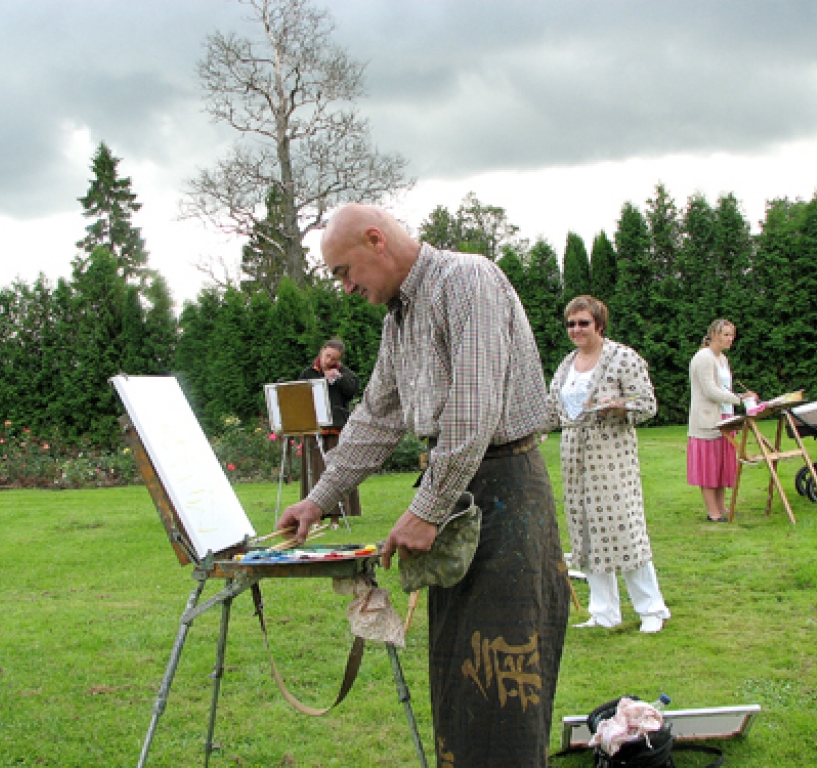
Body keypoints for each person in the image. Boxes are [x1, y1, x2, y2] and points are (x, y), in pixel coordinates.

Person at [278, 203, 569, 767]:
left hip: (505, 489)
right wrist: (320, 497)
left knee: (503, 680)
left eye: (344, 271)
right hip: (462, 492)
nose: (345, 287)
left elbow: (474, 407)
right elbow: (375, 417)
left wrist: (428, 508)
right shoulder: (399, 319)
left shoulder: (467, 279)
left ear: (375, 240)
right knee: (461, 676)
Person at [546, 296, 670, 634]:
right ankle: (603, 612)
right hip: (574, 457)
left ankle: (651, 608)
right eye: (571, 323)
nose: (576, 329)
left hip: (611, 455)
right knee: (585, 530)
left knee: (624, 528)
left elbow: (647, 405)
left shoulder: (623, 358)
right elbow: (551, 409)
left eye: (583, 323)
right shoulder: (567, 364)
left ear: (599, 325)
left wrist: (616, 406)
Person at [687, 319, 757, 522]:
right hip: (708, 419)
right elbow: (710, 390)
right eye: (726, 334)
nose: (730, 339)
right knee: (709, 464)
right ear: (714, 335)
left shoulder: (723, 359)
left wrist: (738, 399)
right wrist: (739, 399)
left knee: (723, 463)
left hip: (726, 415)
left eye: (732, 335)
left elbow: (724, 388)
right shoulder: (703, 358)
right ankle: (713, 512)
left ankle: (722, 507)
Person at [298, 339, 361, 517]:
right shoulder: (308, 373)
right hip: (314, 428)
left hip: (336, 429)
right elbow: (301, 395)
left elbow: (352, 390)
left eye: (334, 359)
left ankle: (338, 513)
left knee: (336, 471)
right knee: (315, 470)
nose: (329, 361)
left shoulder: (345, 374)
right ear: (321, 352)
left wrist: (338, 379)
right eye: (327, 356)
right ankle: (313, 512)